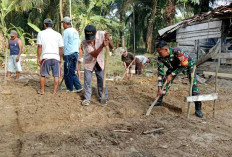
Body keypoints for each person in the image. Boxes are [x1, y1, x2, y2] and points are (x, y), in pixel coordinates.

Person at [155, 40, 203, 118]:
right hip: (173, 67)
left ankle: (198, 109)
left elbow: (184, 65)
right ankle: (159, 101)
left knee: (193, 87)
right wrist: (159, 88)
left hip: (189, 66)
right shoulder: (160, 58)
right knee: (165, 82)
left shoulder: (177, 51)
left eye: (160, 52)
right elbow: (160, 73)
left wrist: (172, 74)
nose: (159, 54)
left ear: (166, 50)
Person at [81, 25, 113, 106]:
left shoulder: (102, 34)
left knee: (102, 79)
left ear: (95, 34)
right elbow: (94, 54)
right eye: (88, 38)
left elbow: (111, 47)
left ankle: (103, 97)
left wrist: (107, 39)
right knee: (87, 81)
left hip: (100, 61)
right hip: (89, 62)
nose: (90, 41)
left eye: (91, 38)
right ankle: (87, 99)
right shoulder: (84, 40)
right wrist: (102, 45)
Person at [36, 18, 64, 94]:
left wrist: (38, 57)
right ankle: (54, 91)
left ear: (44, 25)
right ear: (52, 25)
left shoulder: (41, 33)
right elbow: (60, 48)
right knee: (56, 75)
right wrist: (60, 58)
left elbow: (39, 46)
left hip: (45, 57)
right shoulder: (58, 34)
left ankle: (42, 90)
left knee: (43, 75)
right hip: (56, 57)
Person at [61, 16, 82, 92]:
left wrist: (63, 54)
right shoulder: (75, 31)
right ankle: (78, 87)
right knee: (72, 71)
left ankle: (69, 88)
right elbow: (78, 42)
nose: (62, 25)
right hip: (75, 52)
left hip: (68, 53)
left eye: (63, 23)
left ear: (65, 23)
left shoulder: (66, 32)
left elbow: (64, 43)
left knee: (68, 72)